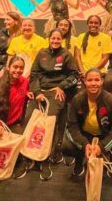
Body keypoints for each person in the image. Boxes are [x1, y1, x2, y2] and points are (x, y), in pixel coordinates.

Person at [25, 29, 79, 179]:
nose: (55, 41)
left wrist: (62, 86)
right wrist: (37, 92)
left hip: (57, 92)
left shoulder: (66, 55)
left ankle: (46, 157)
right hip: (40, 91)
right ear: (49, 39)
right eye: (53, 38)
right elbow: (34, 75)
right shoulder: (41, 53)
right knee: (29, 118)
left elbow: (75, 75)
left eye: (58, 39)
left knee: (50, 121)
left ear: (61, 40)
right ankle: (29, 156)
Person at [62, 69, 112, 177]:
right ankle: (79, 160)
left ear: (102, 81)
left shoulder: (111, 100)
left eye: (97, 80)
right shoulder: (77, 99)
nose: (93, 83)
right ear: (84, 81)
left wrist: (102, 146)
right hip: (85, 135)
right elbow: (71, 126)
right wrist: (84, 145)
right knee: (66, 146)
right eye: (90, 80)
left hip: (104, 134)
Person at [0, 56, 32, 175]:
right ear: (8, 67)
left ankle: (19, 161)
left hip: (14, 125)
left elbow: (25, 91)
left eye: (21, 68)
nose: (18, 70)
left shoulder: (25, 82)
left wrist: (28, 93)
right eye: (15, 67)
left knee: (21, 144)